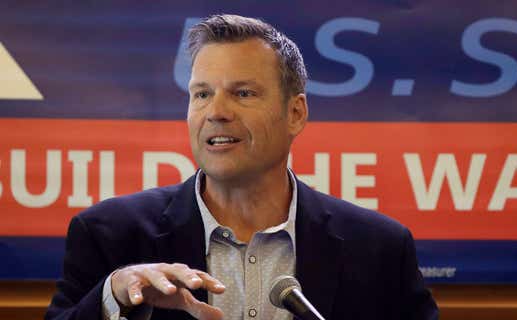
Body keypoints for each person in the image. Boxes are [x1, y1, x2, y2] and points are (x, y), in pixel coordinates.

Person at [45, 14, 439, 320]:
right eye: (202, 94)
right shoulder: (109, 235)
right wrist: (113, 297)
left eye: (243, 93)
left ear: (296, 113)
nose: (215, 112)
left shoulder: (378, 248)